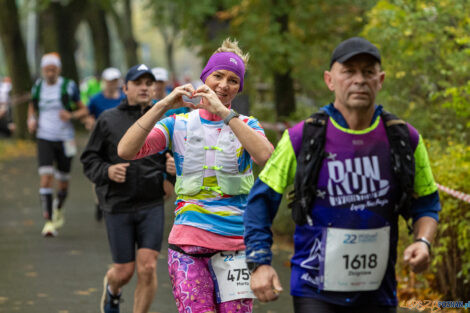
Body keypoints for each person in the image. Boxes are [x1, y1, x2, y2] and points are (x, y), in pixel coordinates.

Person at [243, 37, 441, 313]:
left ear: (380, 79)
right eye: (349, 71)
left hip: (378, 292)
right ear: (329, 79)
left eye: (368, 72)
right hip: (314, 289)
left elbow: (428, 202)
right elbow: (260, 201)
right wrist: (260, 262)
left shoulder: (404, 138)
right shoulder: (303, 137)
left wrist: (423, 242)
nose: (359, 80)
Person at [117, 38, 274, 313]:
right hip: (188, 245)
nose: (224, 85)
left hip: (237, 247)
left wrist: (225, 114)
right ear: (205, 78)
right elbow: (126, 150)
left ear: (239, 88)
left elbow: (267, 158)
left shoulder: (246, 125)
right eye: (218, 76)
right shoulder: (177, 124)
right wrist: (163, 104)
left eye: (233, 80)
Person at [80, 64, 168, 313]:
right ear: (125, 88)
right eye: (138, 83)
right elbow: (89, 160)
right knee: (124, 271)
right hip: (118, 204)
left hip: (151, 203)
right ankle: (112, 289)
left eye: (149, 83)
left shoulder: (163, 120)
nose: (144, 87)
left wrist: (170, 175)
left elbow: (174, 155)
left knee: (148, 266)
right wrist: (107, 172)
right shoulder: (107, 119)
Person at [27, 52, 87, 237]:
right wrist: (31, 119)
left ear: (58, 70)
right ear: (43, 70)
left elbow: (83, 109)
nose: (50, 73)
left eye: (53, 70)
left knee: (63, 183)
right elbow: (32, 105)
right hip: (44, 137)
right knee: (46, 177)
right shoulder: (38, 87)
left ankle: (58, 206)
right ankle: (49, 221)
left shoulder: (68, 87)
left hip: (65, 138)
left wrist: (71, 116)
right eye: (47, 70)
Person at [83, 67, 126, 221]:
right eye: (109, 81)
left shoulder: (123, 98)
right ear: (104, 82)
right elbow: (87, 115)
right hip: (100, 138)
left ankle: (116, 199)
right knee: (100, 167)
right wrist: (90, 123)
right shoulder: (95, 99)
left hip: (119, 139)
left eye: (115, 81)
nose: (112, 84)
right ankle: (99, 201)